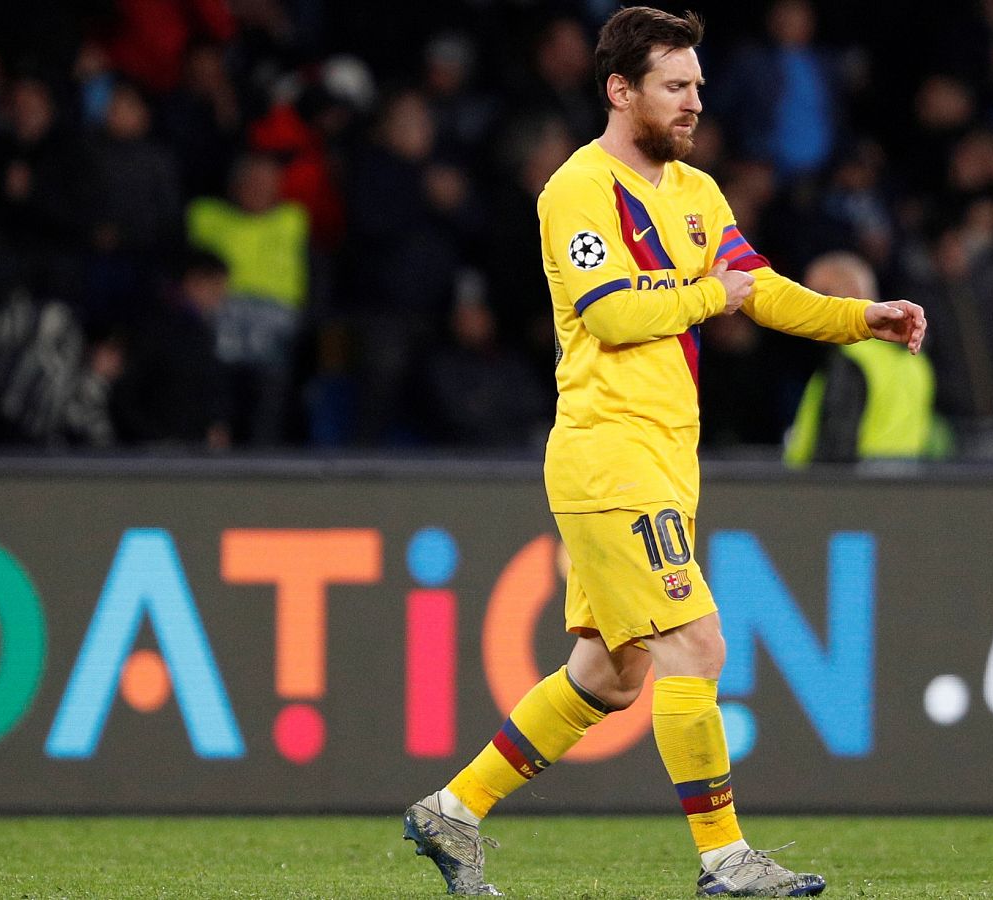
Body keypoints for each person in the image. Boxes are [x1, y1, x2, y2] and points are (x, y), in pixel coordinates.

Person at [402, 9, 925, 897]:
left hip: (665, 459)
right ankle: (726, 860)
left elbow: (755, 291)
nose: (693, 103)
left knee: (610, 673)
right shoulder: (577, 188)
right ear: (621, 90)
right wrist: (703, 292)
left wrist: (855, 321)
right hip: (608, 455)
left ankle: (452, 811)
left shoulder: (697, 192)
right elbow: (609, 310)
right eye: (676, 86)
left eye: (698, 87)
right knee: (698, 643)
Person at [784, 253, 939, 466]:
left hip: (848, 490)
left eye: (822, 295)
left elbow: (836, 446)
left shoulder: (852, 359)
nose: (811, 308)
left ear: (854, 294)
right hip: (901, 489)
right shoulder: (916, 360)